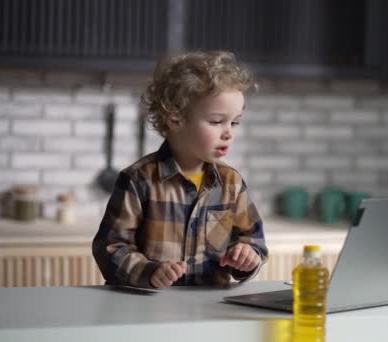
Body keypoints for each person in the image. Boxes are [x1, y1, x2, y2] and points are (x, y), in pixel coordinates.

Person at [92, 51, 269, 289]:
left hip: (210, 310)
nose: (229, 133)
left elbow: (254, 241)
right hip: (148, 311)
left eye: (234, 122)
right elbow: (110, 247)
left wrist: (247, 256)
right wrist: (149, 272)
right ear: (175, 119)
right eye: (217, 121)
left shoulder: (231, 183)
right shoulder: (139, 180)